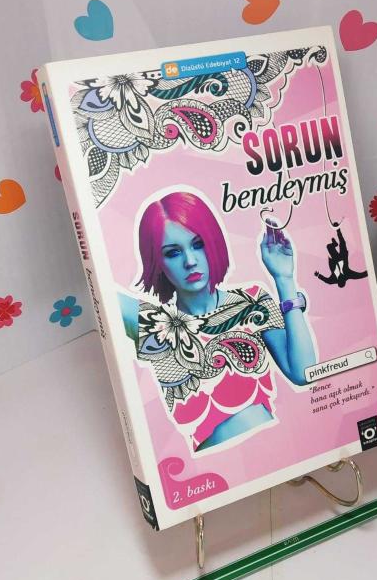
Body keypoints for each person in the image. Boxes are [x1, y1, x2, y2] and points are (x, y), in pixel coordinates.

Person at [118, 191, 316, 453]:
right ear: (157, 262)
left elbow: (304, 374)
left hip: (275, 448)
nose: (190, 261)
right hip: (221, 462)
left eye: (198, 244)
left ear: (213, 242)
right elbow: (102, 291)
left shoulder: (251, 301)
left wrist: (284, 279)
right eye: (173, 252)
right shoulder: (156, 326)